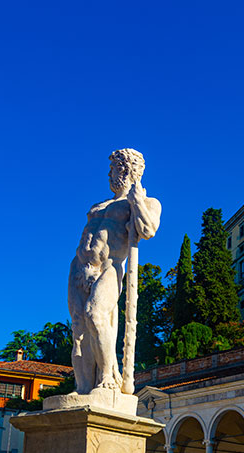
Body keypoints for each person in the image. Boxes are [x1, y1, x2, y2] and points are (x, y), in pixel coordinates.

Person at [68, 148, 162, 394]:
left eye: (113, 169)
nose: (109, 174)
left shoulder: (147, 201)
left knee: (94, 314)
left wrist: (137, 202)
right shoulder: (99, 205)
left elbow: (148, 230)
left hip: (110, 266)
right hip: (79, 268)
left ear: (127, 169)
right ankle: (83, 388)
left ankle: (108, 376)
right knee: (78, 332)